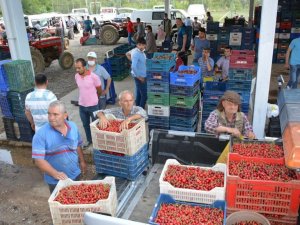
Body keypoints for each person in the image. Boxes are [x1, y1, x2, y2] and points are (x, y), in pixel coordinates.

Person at [32, 100, 87, 194]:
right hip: (56, 182)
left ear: (65, 115)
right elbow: (38, 160)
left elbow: (78, 145)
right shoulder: (41, 134)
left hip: (75, 174)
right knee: (61, 206)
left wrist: (82, 161)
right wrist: (55, 174)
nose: (51, 118)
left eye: (55, 114)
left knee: (77, 200)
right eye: (49, 114)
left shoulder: (73, 127)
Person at [75, 58, 102, 148]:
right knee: (85, 125)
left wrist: (94, 98)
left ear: (85, 67)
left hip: (93, 106)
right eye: (76, 68)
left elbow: (99, 91)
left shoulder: (94, 77)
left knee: (95, 125)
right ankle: (89, 140)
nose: (77, 70)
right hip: (82, 105)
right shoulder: (76, 76)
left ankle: (97, 141)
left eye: (79, 68)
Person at [131, 38, 147, 109]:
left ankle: (137, 109)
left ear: (145, 45)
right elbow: (133, 67)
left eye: (143, 45)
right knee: (144, 95)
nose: (141, 46)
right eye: (139, 45)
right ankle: (141, 112)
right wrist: (139, 77)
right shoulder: (136, 53)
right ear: (137, 45)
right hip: (140, 77)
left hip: (141, 75)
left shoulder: (142, 52)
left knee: (139, 94)